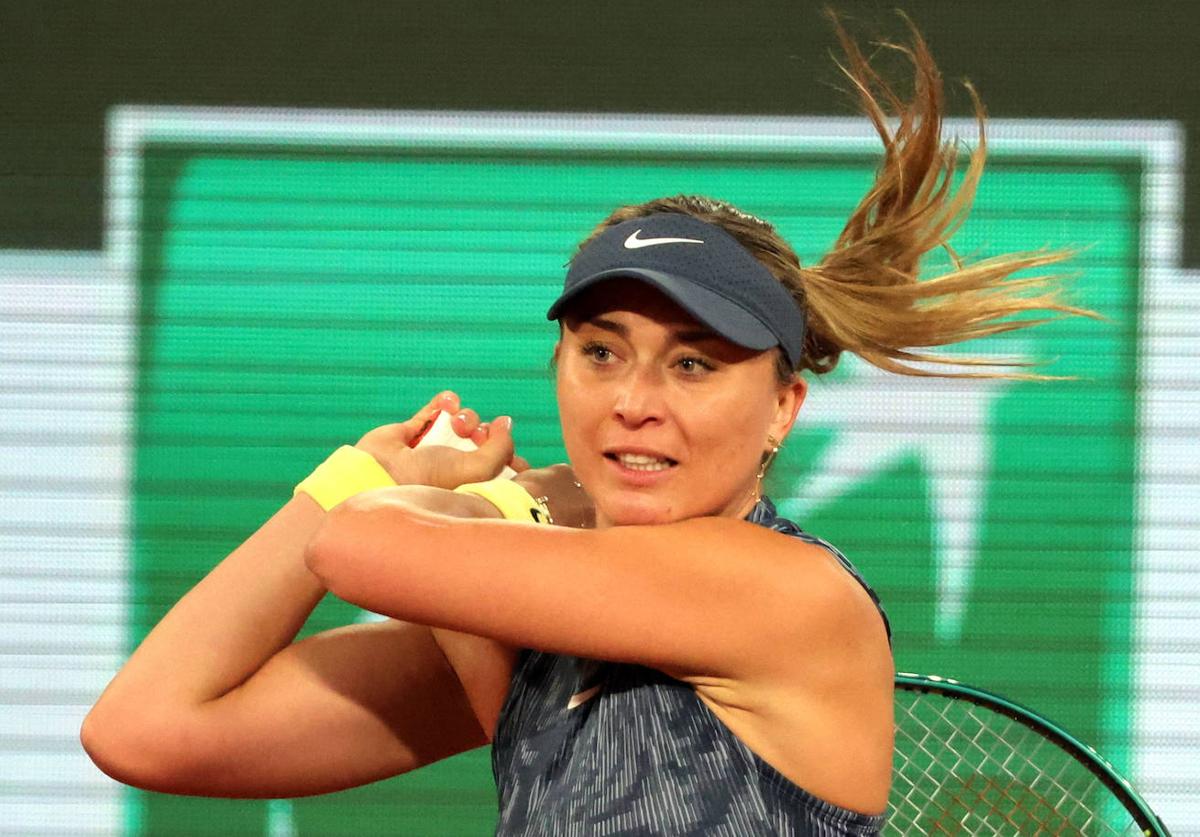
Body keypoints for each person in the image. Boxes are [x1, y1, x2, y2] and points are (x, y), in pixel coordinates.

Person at [80, 17, 1089, 836]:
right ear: (556, 367)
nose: (633, 398)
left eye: (693, 363)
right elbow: (150, 730)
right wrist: (361, 470)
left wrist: (474, 489)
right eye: (601, 352)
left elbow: (365, 544)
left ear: (785, 408)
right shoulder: (531, 632)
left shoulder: (787, 595)